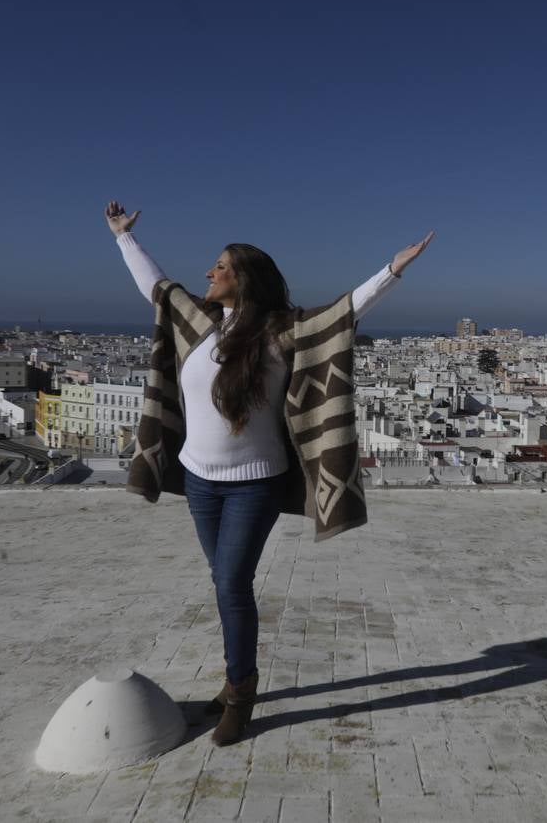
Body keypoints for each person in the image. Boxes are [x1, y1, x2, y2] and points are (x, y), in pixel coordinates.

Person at [106, 200, 433, 745]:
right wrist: (123, 237)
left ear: (245, 279)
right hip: (198, 481)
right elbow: (158, 288)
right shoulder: (201, 325)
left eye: (221, 267)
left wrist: (392, 269)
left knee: (232, 581)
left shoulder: (284, 332)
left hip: (253, 482)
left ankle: (241, 691)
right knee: (224, 582)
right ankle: (236, 676)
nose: (209, 273)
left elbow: (345, 313)